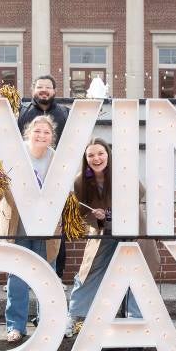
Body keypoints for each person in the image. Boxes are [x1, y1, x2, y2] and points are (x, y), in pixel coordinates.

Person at [66, 138, 159, 337]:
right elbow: (83, 213)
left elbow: (136, 199)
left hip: (133, 231)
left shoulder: (122, 174)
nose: (96, 158)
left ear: (108, 154)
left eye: (100, 153)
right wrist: (98, 218)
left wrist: (108, 214)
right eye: (91, 155)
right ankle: (76, 315)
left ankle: (138, 319)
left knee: (138, 273)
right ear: (85, 158)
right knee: (90, 272)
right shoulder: (81, 180)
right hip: (103, 232)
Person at [0, 115, 60, 342]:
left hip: (46, 228)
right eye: (37, 131)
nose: (41, 135)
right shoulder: (10, 156)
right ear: (28, 133)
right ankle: (15, 326)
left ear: (52, 137)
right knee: (17, 278)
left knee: (46, 278)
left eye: (46, 132)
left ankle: (47, 325)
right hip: (17, 225)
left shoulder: (58, 159)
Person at [17, 75, 70, 278]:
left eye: (48, 87)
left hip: (53, 179)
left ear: (54, 91)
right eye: (40, 87)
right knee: (21, 236)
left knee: (54, 236)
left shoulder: (64, 113)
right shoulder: (24, 112)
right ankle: (22, 277)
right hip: (27, 185)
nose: (44, 90)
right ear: (33, 90)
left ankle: (57, 276)